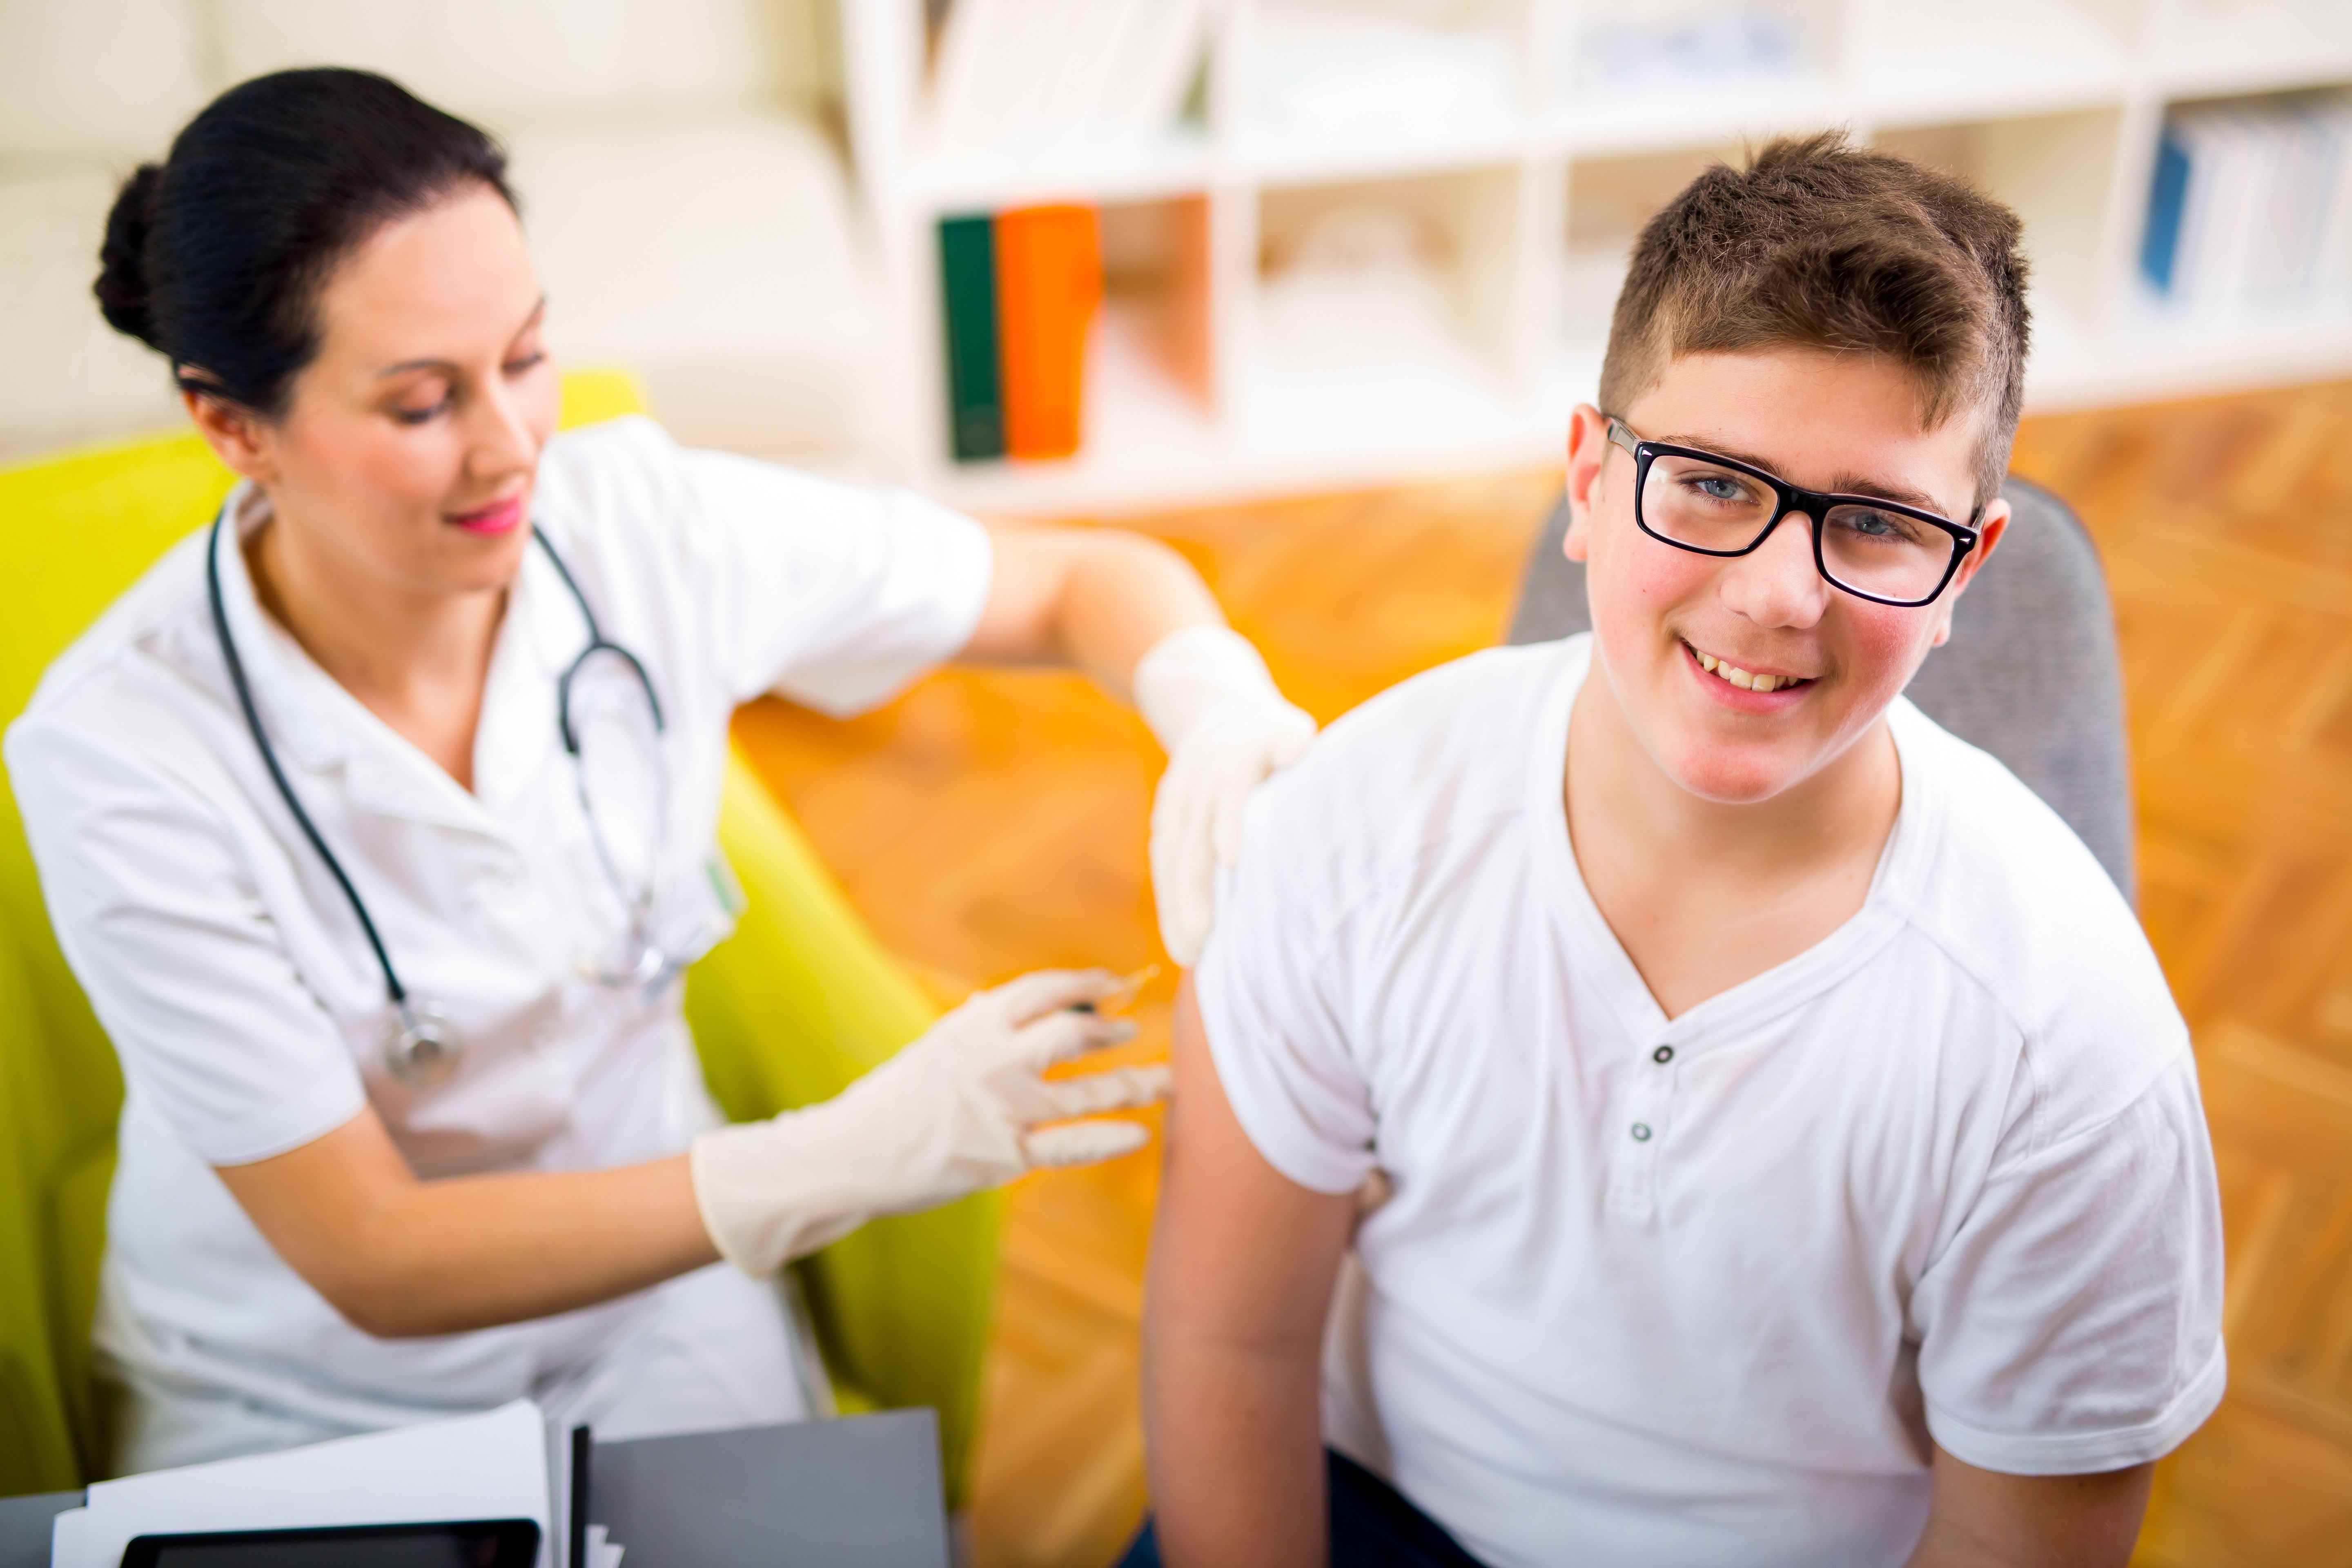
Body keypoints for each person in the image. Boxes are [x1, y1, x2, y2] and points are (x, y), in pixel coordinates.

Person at [5, 68, 1314, 1475]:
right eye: (420, 403)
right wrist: (837, 1158)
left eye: (522, 357)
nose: (512, 447)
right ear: (231, 427)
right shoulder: (119, 756)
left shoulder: (642, 524)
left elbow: (1083, 584)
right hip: (293, 1381)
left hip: (655, 1306)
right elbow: (369, 1254)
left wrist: (1212, 700)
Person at [1136, 134, 2224, 1568]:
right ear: (1588, 479)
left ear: (1965, 568)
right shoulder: (1353, 824)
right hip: (1365, 1506)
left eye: (1881, 522)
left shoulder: (2074, 1062)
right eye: (1711, 481)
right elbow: (1229, 1340)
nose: (1778, 596)